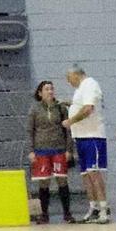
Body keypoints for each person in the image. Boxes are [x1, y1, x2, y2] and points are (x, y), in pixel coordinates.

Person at [64, 64, 109, 223]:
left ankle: (104, 209)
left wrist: (71, 120)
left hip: (92, 136)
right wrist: (70, 104)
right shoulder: (81, 89)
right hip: (81, 137)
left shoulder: (90, 84)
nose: (69, 82)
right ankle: (94, 207)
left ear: (75, 74)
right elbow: (81, 106)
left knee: (94, 173)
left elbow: (88, 109)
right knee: (85, 174)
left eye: (69, 79)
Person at [27, 80, 72, 223]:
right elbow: (30, 131)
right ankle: (44, 214)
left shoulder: (61, 108)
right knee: (44, 182)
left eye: (52, 89)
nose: (50, 91)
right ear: (40, 93)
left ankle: (67, 213)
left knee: (62, 180)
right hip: (41, 150)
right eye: (46, 89)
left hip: (59, 149)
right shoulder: (34, 109)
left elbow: (68, 130)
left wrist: (69, 149)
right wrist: (31, 150)